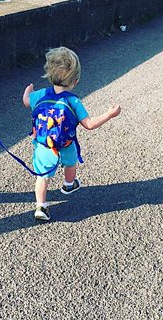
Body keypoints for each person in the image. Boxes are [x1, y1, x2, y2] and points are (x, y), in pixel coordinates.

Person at [23, 47, 121, 222]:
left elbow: (25, 101)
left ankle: (41, 207)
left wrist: (28, 90)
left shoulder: (39, 95)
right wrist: (109, 115)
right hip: (66, 144)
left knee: (42, 177)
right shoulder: (73, 101)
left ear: (49, 74)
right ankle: (69, 184)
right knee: (70, 163)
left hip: (44, 145)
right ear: (75, 81)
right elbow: (89, 125)